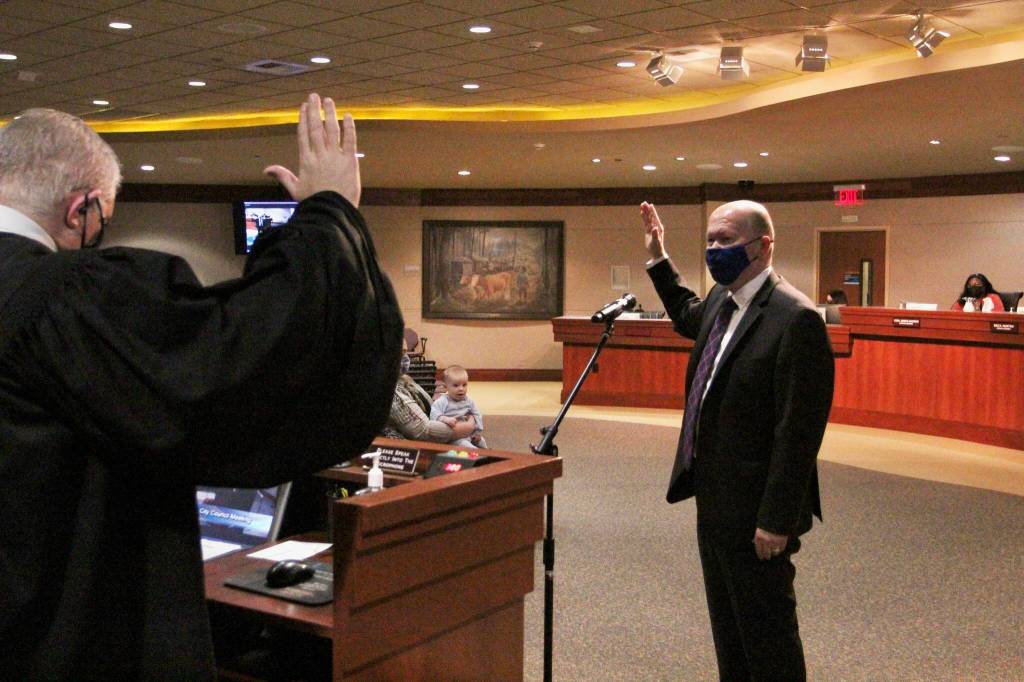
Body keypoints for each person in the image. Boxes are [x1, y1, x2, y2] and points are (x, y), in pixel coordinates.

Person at [0, 94, 404, 680]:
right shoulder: (55, 294)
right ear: (80, 209)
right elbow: (242, 354)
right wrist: (330, 214)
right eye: (103, 219)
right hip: (57, 635)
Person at [640, 199, 834, 680]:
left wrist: (776, 519)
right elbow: (687, 314)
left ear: (764, 245)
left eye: (726, 241)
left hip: (758, 513)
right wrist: (659, 258)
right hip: (715, 499)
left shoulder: (796, 319)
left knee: (767, 636)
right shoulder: (719, 305)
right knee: (729, 630)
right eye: (709, 240)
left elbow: (799, 434)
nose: (714, 250)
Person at [383, 355, 477, 444]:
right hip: (406, 449)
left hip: (443, 433)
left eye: (406, 352)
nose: (406, 358)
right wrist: (467, 427)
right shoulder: (390, 390)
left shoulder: (403, 378)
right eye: (402, 352)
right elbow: (423, 431)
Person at [430, 365, 487, 448]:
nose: (461, 389)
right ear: (446, 387)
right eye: (456, 385)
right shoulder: (443, 401)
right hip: (454, 437)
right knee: (469, 447)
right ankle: (479, 456)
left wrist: (477, 432)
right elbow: (433, 415)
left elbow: (477, 414)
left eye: (464, 385)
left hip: (469, 434)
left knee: (482, 441)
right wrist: (445, 419)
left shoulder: (469, 401)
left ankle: (488, 455)